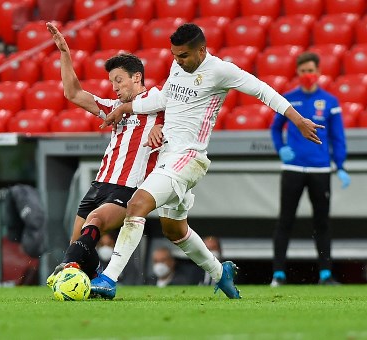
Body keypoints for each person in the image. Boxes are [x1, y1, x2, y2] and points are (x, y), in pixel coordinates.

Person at [91, 23, 323, 300]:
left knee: (137, 204)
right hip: (167, 155)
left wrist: (297, 120)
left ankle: (109, 278)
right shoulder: (178, 66)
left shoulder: (220, 71)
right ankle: (219, 272)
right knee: (174, 230)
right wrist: (126, 108)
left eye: (184, 56)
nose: (178, 61)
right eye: (175, 55)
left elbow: (263, 91)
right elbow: (166, 98)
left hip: (189, 157)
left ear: (201, 50)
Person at [44, 22, 164, 286]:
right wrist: (65, 53)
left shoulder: (158, 100)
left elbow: (178, 112)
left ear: (137, 77)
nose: (114, 87)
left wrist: (160, 125)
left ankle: (64, 269)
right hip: (99, 184)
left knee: (92, 225)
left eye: (118, 80)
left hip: (128, 187)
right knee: (79, 247)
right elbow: (72, 93)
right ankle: (92, 279)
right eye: (111, 82)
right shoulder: (113, 106)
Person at [270, 52, 350, 287]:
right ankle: (278, 275)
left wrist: (341, 165)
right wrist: (281, 148)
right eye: (303, 71)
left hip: (320, 170)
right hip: (293, 168)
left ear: (319, 72)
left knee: (322, 222)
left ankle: (325, 275)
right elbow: (275, 129)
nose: (308, 75)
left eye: (311, 70)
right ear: (298, 72)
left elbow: (338, 136)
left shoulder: (330, 102)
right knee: (285, 220)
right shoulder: (287, 100)